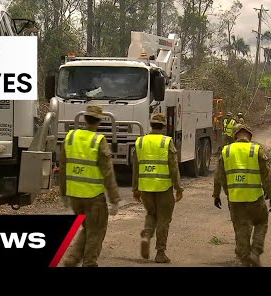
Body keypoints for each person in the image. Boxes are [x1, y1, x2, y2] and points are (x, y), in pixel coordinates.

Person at [60, 105, 121, 267]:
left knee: (87, 227)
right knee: (96, 230)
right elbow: (108, 173)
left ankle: (72, 258)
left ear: (85, 118)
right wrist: (114, 199)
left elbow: (63, 168)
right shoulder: (98, 141)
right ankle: (89, 263)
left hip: (75, 196)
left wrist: (64, 193)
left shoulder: (70, 137)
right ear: (99, 121)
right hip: (94, 198)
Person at [213, 124, 271, 267]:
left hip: (235, 199)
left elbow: (219, 177)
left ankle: (243, 258)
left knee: (241, 228)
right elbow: (267, 175)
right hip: (255, 198)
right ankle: (255, 252)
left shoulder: (226, 151)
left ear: (235, 136)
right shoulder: (256, 150)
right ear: (249, 135)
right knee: (261, 222)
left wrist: (217, 195)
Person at [133, 113, 184, 263]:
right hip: (163, 187)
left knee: (151, 214)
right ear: (163, 126)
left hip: (145, 187)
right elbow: (173, 167)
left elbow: (136, 167)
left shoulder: (140, 142)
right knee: (164, 219)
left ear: (151, 124)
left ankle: (146, 235)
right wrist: (178, 188)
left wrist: (135, 188)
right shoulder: (166, 142)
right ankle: (160, 253)